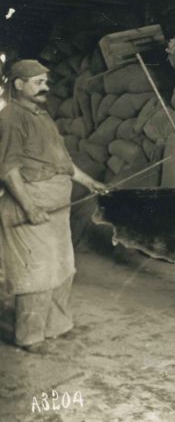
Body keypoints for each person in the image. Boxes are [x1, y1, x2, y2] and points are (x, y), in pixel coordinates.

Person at [0, 59, 106, 354]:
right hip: (31, 207)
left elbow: (63, 162)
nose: (45, 86)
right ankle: (30, 337)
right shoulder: (11, 118)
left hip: (58, 208)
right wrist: (30, 207)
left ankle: (56, 327)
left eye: (45, 81)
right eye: (37, 82)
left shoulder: (42, 116)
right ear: (18, 84)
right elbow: (8, 170)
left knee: (63, 267)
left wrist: (89, 182)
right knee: (35, 272)